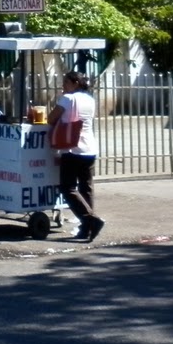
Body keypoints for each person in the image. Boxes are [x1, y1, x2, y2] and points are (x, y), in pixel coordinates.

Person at [49, 69, 104, 242]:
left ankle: (90, 220)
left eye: (66, 82)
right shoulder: (90, 99)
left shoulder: (68, 99)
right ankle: (86, 227)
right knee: (85, 188)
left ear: (75, 83)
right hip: (90, 148)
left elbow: (51, 118)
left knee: (67, 187)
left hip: (72, 148)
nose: (63, 86)